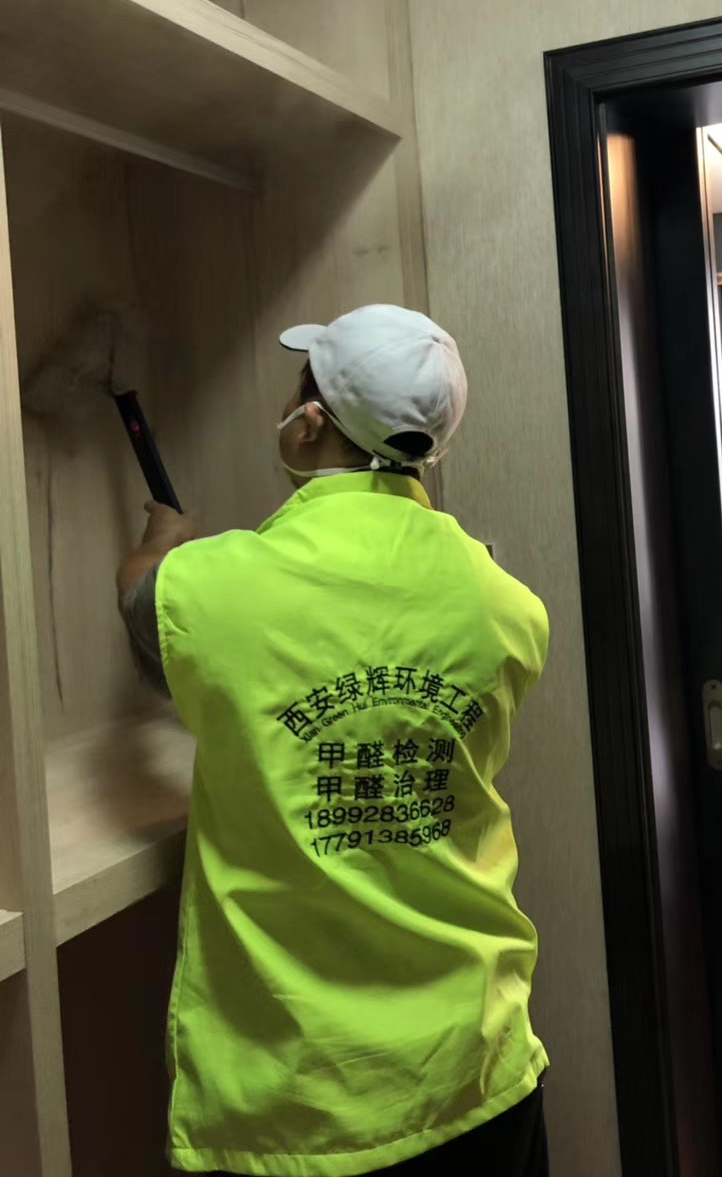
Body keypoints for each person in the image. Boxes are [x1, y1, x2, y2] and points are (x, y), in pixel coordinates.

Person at [117, 304, 551, 1177]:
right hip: (478, 1071)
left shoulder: (213, 587)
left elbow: (141, 609)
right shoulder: (507, 603)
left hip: (296, 1104)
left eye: (295, 392)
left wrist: (159, 541)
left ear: (310, 421)